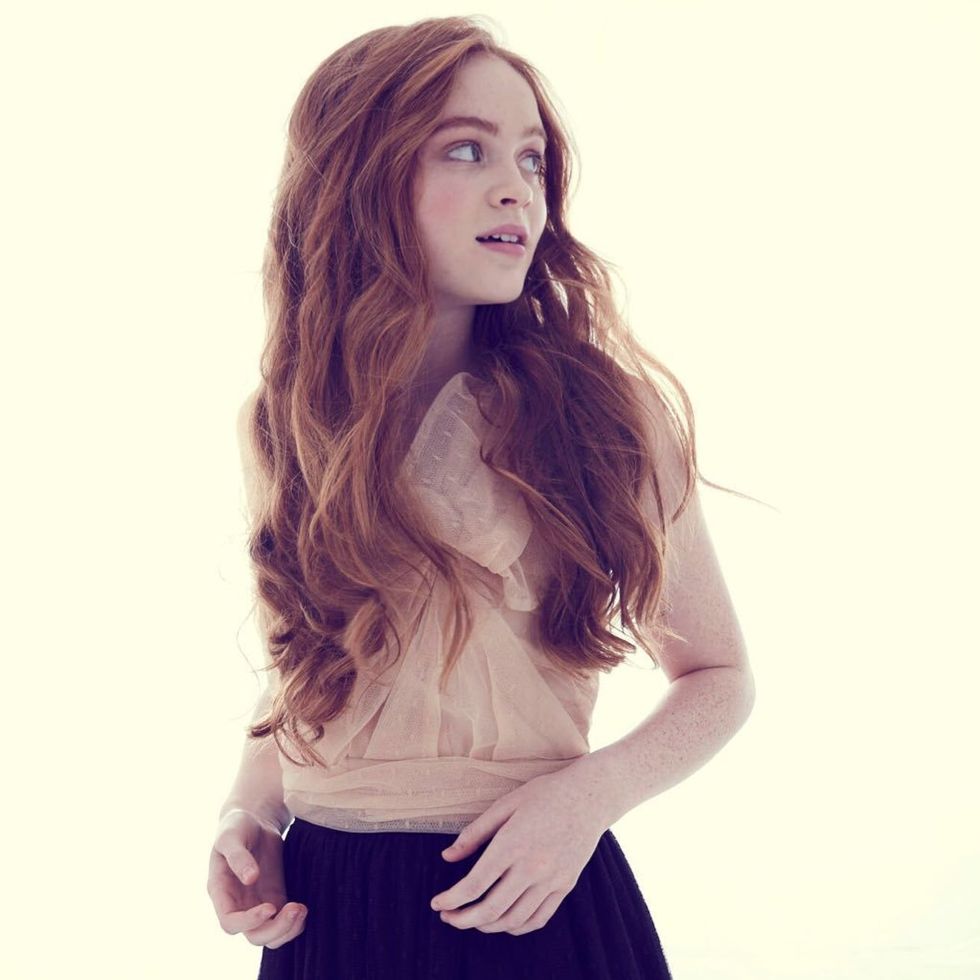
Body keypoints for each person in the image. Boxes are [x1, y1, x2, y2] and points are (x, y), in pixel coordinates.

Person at [206, 15, 757, 979]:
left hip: (529, 901)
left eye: (533, 159)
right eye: (467, 149)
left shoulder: (600, 414)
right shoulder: (285, 420)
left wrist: (589, 798)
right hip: (327, 916)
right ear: (359, 178)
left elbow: (718, 676)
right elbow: (310, 661)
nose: (518, 188)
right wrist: (248, 809)